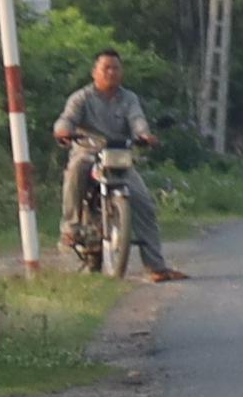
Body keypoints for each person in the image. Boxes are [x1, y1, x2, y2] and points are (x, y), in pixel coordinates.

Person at [53, 49, 186, 282]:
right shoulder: (81, 97)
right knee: (74, 171)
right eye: (106, 68)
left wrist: (145, 136)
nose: (111, 72)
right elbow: (67, 119)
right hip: (88, 152)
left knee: (144, 202)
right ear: (95, 72)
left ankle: (156, 266)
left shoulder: (129, 98)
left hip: (118, 156)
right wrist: (63, 131)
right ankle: (71, 228)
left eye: (116, 68)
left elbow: (138, 121)